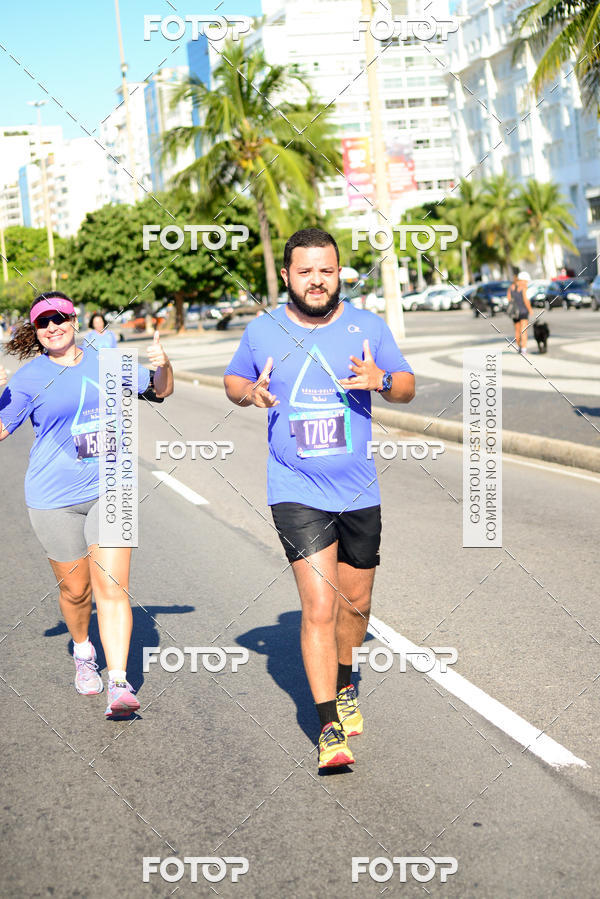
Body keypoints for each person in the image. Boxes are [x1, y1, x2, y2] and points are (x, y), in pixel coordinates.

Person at [224, 229, 415, 769]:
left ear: (339, 274)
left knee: (356, 606)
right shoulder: (263, 330)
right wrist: (249, 393)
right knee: (320, 606)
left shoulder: (366, 326)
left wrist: (381, 380)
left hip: (358, 491)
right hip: (295, 490)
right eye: (305, 271)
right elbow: (234, 381)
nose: (316, 281)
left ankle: (346, 678)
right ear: (287, 275)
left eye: (326, 271)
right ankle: (328, 725)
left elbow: (406, 384)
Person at [0, 291, 173, 717]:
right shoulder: (27, 379)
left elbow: (158, 390)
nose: (53, 326)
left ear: (74, 319)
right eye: (43, 322)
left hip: (112, 487)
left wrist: (164, 366)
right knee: (76, 592)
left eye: (60, 317)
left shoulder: (108, 363)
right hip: (53, 499)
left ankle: (119, 682)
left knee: (112, 588)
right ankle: (82, 650)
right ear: (35, 332)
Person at [508, 271, 532, 354]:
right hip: (523, 311)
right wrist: (530, 310)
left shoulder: (511, 287)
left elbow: (509, 300)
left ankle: (519, 347)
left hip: (514, 312)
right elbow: (526, 300)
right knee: (524, 331)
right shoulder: (524, 288)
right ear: (522, 280)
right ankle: (524, 349)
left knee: (517, 331)